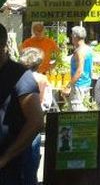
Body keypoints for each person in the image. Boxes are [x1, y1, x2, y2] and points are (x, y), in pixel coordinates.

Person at [0, 24, 44, 185]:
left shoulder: (20, 75)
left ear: (2, 46)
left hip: (10, 169)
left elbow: (36, 121)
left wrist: (5, 158)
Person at [18, 47, 51, 185]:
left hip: (18, 123)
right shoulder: (42, 79)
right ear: (38, 63)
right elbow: (47, 103)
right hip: (34, 123)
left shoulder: (17, 78)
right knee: (31, 165)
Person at [65, 26, 93, 111]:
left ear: (75, 36)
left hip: (78, 86)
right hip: (86, 84)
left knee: (76, 112)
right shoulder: (88, 49)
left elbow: (79, 70)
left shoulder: (79, 52)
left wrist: (68, 86)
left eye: (71, 35)